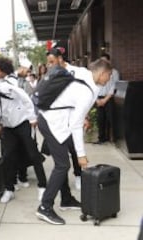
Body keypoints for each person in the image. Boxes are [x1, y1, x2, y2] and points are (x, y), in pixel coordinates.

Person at [36, 59, 112, 225]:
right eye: (109, 75)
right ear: (101, 73)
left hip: (55, 121)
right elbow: (76, 125)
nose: (109, 79)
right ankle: (45, 207)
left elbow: (68, 68)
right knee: (63, 165)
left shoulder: (84, 73)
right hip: (53, 123)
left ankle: (66, 199)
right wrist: (81, 155)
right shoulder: (87, 92)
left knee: (61, 163)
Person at [0, 58, 47, 203]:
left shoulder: (11, 82)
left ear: (4, 69)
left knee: (33, 154)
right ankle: (9, 189)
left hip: (22, 123)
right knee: (8, 157)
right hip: (8, 126)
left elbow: (26, 99)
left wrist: (32, 118)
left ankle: (42, 186)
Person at [45, 47, 85, 190]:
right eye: (48, 63)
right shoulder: (50, 75)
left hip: (72, 118)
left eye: (51, 62)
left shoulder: (76, 72)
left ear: (60, 59)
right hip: (56, 121)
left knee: (75, 150)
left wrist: (83, 116)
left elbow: (82, 96)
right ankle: (65, 194)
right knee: (61, 161)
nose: (49, 65)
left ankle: (79, 175)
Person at [95, 53, 119, 144]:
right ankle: (101, 138)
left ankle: (114, 139)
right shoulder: (98, 73)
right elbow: (95, 85)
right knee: (100, 119)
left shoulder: (114, 72)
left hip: (109, 98)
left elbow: (114, 86)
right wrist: (96, 99)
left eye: (105, 61)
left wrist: (105, 99)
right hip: (99, 98)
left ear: (109, 61)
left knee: (111, 118)